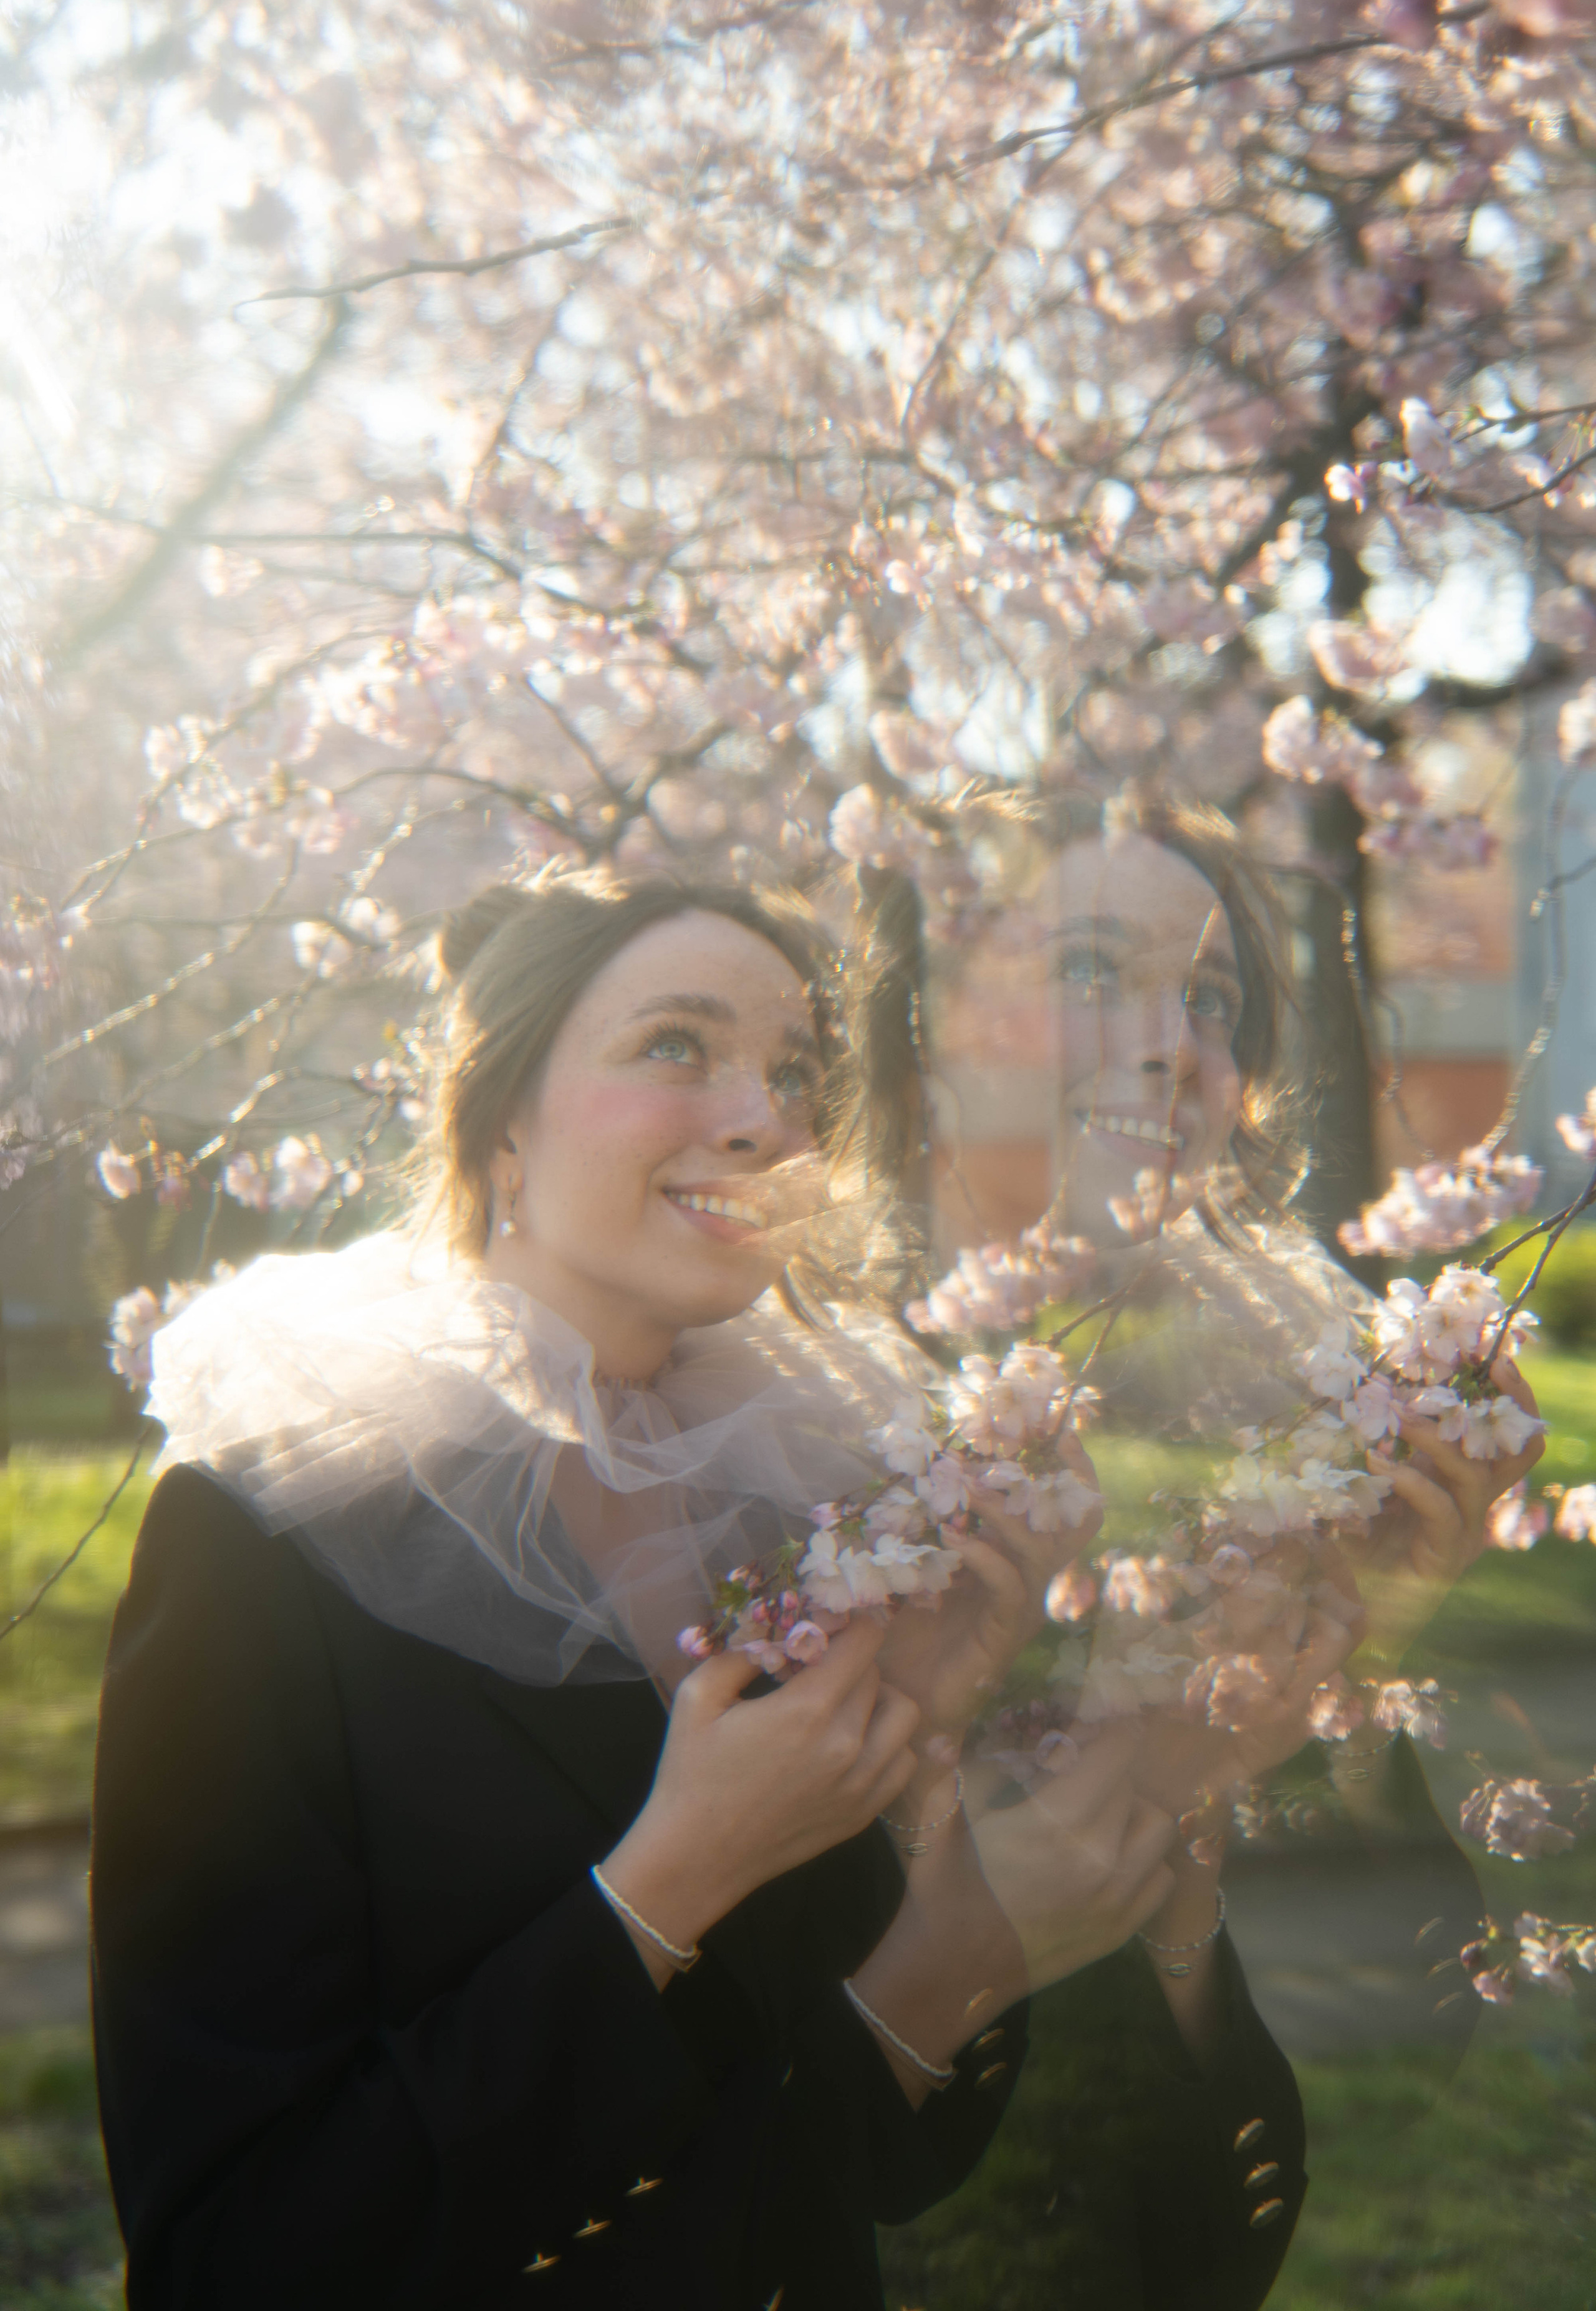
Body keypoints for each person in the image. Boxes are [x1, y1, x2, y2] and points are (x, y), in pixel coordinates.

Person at [92, 864, 1310, 2311]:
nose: (762, 1120)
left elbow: (856, 2164)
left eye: (794, 1074)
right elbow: (231, 2256)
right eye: (675, 1045)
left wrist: (927, 1742)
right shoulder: (268, 1539)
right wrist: (668, 1884)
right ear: (499, 1129)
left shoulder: (814, 1509)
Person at [872, 795, 1544, 2305]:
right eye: (1095, 970)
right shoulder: (735, 1418)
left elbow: (1404, 2017)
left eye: (1213, 998)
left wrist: (1348, 1654)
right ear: (926, 1017)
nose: (1175, 1043)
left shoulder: (1269, 1410)